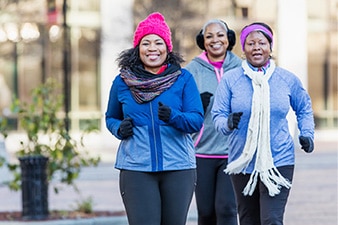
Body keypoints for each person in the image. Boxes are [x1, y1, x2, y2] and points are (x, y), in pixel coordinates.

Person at [105, 12, 204, 225]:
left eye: (158, 42)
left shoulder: (183, 78)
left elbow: (196, 120)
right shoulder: (122, 81)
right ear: (137, 49)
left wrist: (173, 117)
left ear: (167, 48)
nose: (152, 48)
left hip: (178, 167)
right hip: (136, 168)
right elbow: (110, 117)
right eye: (146, 43)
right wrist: (119, 128)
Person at [211, 22, 315, 225]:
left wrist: (307, 134)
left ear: (270, 46)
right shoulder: (231, 80)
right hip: (242, 160)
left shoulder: (286, 79)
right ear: (244, 48)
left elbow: (304, 108)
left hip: (279, 159)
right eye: (251, 43)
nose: (256, 47)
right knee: (249, 220)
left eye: (262, 42)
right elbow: (218, 115)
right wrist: (228, 123)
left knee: (271, 220)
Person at [185, 19, 241, 225]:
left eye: (220, 35)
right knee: (206, 213)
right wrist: (196, 105)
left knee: (227, 209)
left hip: (233, 151)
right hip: (201, 151)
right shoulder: (192, 70)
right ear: (203, 41)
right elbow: (180, 109)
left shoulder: (241, 68)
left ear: (229, 39)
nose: (215, 40)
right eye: (209, 36)